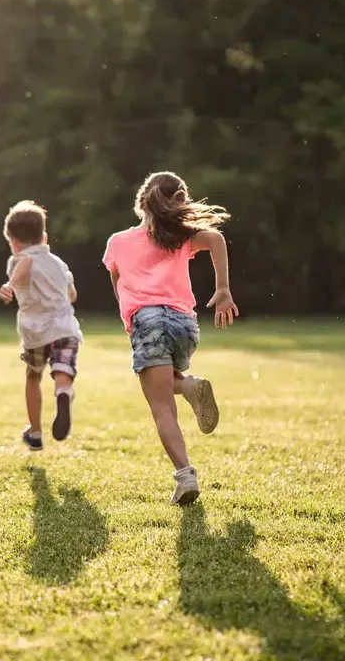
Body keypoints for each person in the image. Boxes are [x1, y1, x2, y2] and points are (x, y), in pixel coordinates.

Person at [102, 172, 239, 505]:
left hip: (148, 321)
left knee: (161, 405)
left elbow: (117, 285)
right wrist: (222, 290)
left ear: (142, 202)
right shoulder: (180, 237)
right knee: (165, 385)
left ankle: (185, 476)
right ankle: (189, 386)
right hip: (185, 325)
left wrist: (131, 317)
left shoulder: (118, 241)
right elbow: (217, 240)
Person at [0, 200, 83, 451]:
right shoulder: (59, 264)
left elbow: (26, 262)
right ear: (44, 237)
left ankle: (35, 432)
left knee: (33, 377)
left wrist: (11, 285)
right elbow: (72, 295)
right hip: (65, 328)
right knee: (62, 371)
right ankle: (64, 394)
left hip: (35, 333)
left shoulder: (18, 259)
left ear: (12, 240)